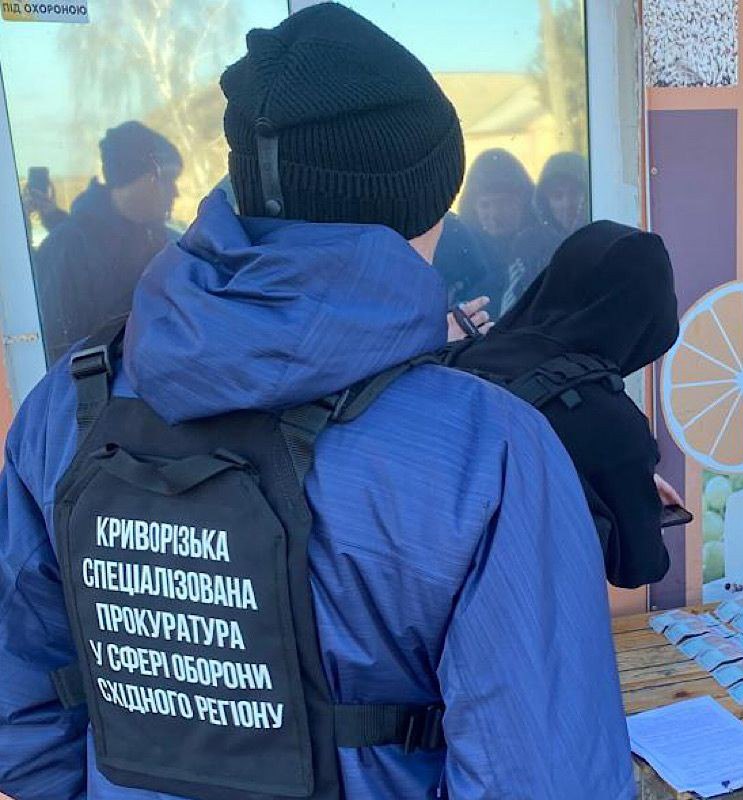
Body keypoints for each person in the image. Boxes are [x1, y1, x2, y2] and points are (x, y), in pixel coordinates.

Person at [0, 5, 634, 800]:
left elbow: (23, 718)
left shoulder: (67, 403)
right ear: (423, 207)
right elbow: (541, 778)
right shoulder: (488, 450)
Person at [441, 220, 679, 588]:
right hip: (515, 607)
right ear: (646, 313)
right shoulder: (611, 421)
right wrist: (635, 498)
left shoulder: (463, 356)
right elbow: (640, 566)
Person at [33, 121, 182, 364]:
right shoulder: (66, 249)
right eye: (168, 178)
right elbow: (59, 352)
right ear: (140, 179)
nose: (176, 192)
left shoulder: (163, 240)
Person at [503, 152, 590, 314]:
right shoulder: (529, 244)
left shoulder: (602, 238)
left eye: (575, 194)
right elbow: (513, 308)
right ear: (545, 201)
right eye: (557, 196)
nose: (567, 204)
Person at [458, 148, 537, 301]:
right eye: (485, 205)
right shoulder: (463, 257)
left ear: (524, 202)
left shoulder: (542, 249)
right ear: (473, 208)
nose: (495, 215)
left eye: (503, 203)